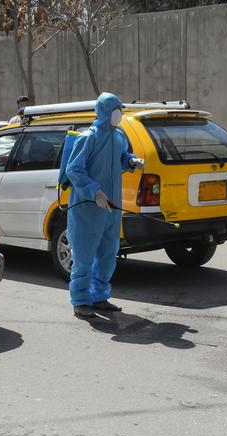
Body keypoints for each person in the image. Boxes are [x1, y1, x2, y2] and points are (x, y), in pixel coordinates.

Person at [64, 93, 144, 318]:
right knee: (84, 255)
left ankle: (99, 297)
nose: (119, 112)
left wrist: (130, 161)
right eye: (115, 108)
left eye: (120, 108)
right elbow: (74, 170)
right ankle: (80, 300)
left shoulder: (118, 134)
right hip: (87, 207)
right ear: (104, 110)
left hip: (111, 207)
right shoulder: (88, 137)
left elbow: (121, 157)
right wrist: (94, 190)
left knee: (108, 253)